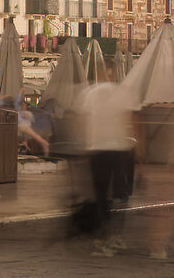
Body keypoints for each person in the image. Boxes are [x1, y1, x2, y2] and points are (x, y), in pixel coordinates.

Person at [65, 77, 136, 242]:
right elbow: (131, 120)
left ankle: (104, 230)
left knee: (100, 192)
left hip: (96, 148)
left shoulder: (88, 94)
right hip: (120, 149)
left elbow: (80, 122)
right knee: (120, 193)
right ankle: (116, 233)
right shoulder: (122, 92)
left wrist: (82, 146)